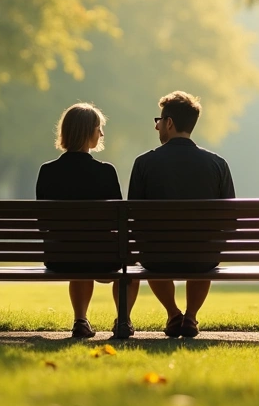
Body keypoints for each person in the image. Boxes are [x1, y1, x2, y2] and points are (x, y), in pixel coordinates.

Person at [128, 90, 235, 338]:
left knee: (151, 252)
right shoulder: (218, 164)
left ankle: (174, 314)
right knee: (204, 248)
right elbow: (230, 221)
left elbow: (133, 217)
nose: (157, 127)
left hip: (157, 258)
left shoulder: (144, 163)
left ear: (169, 122)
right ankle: (191, 317)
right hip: (202, 257)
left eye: (158, 121)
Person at [36, 102, 139, 338]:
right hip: (101, 257)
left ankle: (80, 320)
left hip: (60, 257)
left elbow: (43, 223)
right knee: (130, 264)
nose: (101, 133)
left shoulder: (47, 171)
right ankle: (123, 319)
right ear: (86, 131)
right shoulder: (106, 172)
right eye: (98, 128)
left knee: (78, 255)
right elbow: (118, 223)